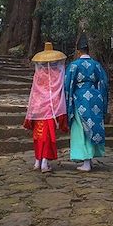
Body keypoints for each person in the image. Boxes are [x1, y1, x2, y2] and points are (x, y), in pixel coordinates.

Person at [64, 34, 109, 172]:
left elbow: (68, 85)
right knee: (92, 126)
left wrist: (68, 101)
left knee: (81, 129)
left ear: (78, 51)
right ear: (88, 50)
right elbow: (104, 84)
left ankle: (86, 161)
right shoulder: (97, 65)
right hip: (95, 98)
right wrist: (102, 100)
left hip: (79, 99)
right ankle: (90, 159)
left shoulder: (73, 66)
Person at [23, 42, 69, 173]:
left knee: (38, 136)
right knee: (47, 136)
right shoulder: (57, 73)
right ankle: (44, 162)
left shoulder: (39, 74)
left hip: (38, 109)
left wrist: (33, 109)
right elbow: (59, 91)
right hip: (52, 109)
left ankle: (38, 161)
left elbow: (35, 92)